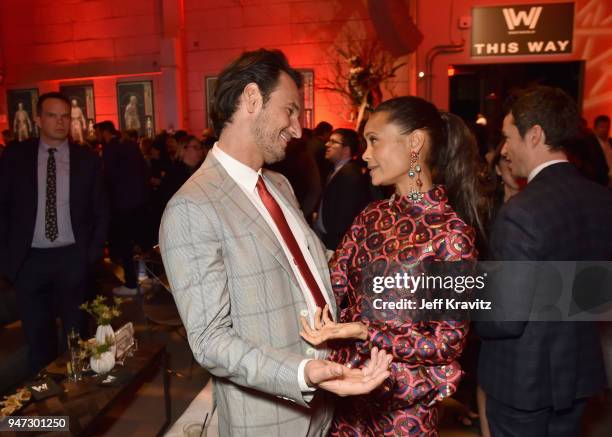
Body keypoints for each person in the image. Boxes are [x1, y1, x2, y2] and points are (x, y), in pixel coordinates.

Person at [158, 49, 391, 437]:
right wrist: (303, 372)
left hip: (325, 403)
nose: (298, 129)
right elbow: (211, 341)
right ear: (252, 99)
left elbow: (308, 266)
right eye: (290, 111)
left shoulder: (278, 184)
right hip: (269, 420)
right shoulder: (192, 207)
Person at [300, 96, 485, 435]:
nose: (365, 155)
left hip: (404, 409)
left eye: (374, 141)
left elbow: (447, 342)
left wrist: (366, 331)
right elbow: (331, 286)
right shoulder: (371, 216)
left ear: (414, 143)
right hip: (348, 397)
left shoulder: (452, 235)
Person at [478, 86, 612, 436]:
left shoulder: (521, 212)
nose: (505, 150)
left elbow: (505, 319)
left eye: (508, 137)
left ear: (534, 134)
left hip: (523, 381)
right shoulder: (601, 198)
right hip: (577, 371)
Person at [0, 92, 108, 373]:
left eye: (65, 117)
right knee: (37, 339)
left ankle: (77, 398)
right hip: (29, 262)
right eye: (52, 115)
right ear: (38, 119)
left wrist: (91, 255)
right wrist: (7, 258)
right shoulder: (15, 157)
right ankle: (43, 402)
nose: (60, 122)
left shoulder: (87, 160)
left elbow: (101, 211)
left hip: (72, 258)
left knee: (76, 335)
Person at [95, 121, 150, 296]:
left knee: (125, 244)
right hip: (139, 201)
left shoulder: (111, 148)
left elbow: (108, 177)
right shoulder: (130, 145)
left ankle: (131, 284)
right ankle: (149, 277)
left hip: (121, 204)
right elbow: (143, 171)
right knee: (141, 242)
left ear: (104, 132)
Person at [314, 128, 371, 251]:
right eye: (329, 140)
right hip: (329, 237)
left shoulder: (350, 174)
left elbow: (346, 214)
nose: (327, 144)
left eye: (334, 142)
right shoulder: (337, 169)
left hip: (337, 242)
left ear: (346, 150)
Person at [593, 114, 612, 186]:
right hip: (599, 182)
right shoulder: (589, 143)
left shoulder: (610, 142)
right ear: (595, 128)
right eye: (602, 127)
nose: (605, 130)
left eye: (607, 127)